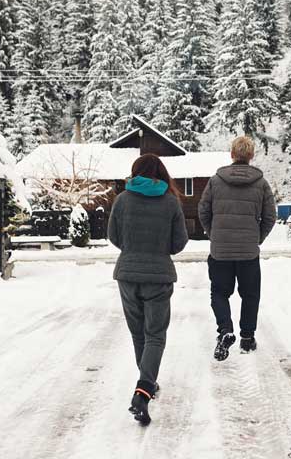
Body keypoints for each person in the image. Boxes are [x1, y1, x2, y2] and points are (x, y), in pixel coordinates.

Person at [108, 153, 189, 426]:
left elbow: (113, 237)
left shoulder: (121, 201)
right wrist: (157, 250)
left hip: (128, 275)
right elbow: (179, 242)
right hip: (158, 276)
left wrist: (133, 250)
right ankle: (144, 389)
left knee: (138, 332)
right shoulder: (170, 201)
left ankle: (146, 383)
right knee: (155, 334)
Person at [198, 136, 277, 361]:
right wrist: (256, 238)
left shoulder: (215, 181)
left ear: (232, 154)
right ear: (251, 156)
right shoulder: (261, 183)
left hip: (220, 251)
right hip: (248, 253)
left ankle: (225, 330)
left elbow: (203, 211)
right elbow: (270, 216)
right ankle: (247, 337)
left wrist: (214, 234)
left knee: (219, 292)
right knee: (250, 294)